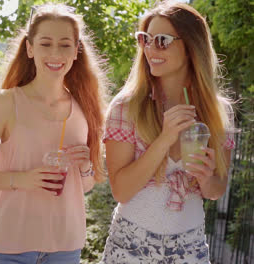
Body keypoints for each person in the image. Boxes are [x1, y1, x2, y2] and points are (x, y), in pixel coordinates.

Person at [0, 4, 109, 264]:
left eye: (65, 45)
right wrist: (23, 179)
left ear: (76, 51)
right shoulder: (5, 103)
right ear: (30, 48)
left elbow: (84, 186)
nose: (55, 53)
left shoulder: (84, 108)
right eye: (45, 43)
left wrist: (86, 166)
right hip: (10, 244)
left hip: (65, 246)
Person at [100, 1, 236, 263]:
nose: (151, 49)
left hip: (190, 247)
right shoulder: (126, 107)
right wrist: (164, 139)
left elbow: (216, 189)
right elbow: (121, 191)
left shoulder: (218, 111)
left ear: (191, 47)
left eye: (162, 40)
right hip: (131, 245)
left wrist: (207, 178)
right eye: (145, 39)